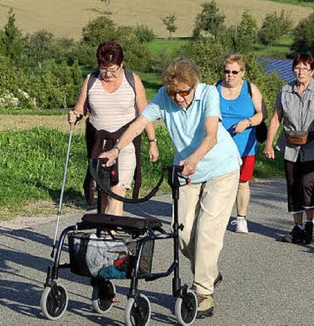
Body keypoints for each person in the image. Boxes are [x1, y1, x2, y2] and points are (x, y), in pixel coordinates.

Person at [99, 57, 241, 319]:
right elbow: (139, 124)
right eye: (174, 93)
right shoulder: (165, 96)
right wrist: (116, 149)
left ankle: (203, 291)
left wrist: (195, 158)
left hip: (220, 168)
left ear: (194, 87)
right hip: (186, 171)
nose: (178, 99)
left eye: (183, 93)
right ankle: (208, 270)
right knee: (181, 230)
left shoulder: (209, 94)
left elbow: (211, 134)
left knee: (208, 231)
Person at [68, 41, 159, 216]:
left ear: (121, 65)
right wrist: (75, 115)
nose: (108, 74)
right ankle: (105, 234)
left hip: (126, 143)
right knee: (104, 193)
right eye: (104, 69)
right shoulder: (91, 80)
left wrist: (152, 141)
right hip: (99, 144)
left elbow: (145, 114)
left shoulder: (133, 80)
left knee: (117, 192)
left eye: (113, 69)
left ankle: (111, 236)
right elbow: (81, 109)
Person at [264, 52, 314, 245]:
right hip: (290, 143)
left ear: (312, 70)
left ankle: (310, 223)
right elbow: (277, 117)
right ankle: (298, 227)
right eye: (297, 67)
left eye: (305, 68)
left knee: (307, 184)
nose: (300, 72)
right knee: (292, 183)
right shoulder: (285, 90)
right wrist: (269, 143)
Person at [217, 53, 266, 233]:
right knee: (218, 182)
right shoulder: (215, 88)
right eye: (227, 71)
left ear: (242, 72)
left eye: (235, 72)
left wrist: (247, 122)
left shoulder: (250, 89)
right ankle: (218, 216)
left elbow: (262, 114)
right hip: (219, 146)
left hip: (245, 144)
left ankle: (241, 218)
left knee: (242, 182)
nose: (230, 75)